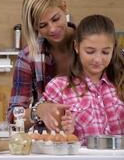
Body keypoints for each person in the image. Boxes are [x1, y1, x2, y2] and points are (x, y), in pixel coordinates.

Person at [43, 14, 124, 145]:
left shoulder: (120, 83)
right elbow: (53, 140)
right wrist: (65, 132)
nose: (98, 59)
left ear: (113, 49)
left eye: (105, 52)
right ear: (76, 47)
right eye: (90, 51)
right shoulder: (58, 87)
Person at [7, 0, 76, 132]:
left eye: (55, 19)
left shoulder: (92, 46)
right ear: (35, 27)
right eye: (43, 25)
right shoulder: (27, 58)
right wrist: (37, 111)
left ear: (64, 7)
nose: (52, 29)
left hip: (92, 142)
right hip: (48, 144)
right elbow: (13, 117)